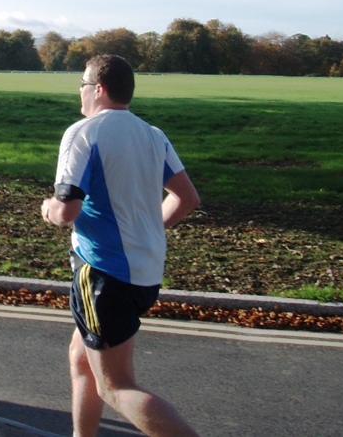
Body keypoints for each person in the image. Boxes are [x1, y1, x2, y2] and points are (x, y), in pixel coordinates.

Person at [41, 55, 202, 437]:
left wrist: (47, 209)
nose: (79, 92)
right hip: (144, 273)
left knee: (117, 386)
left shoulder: (83, 132)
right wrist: (147, 231)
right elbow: (187, 198)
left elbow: (66, 212)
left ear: (98, 89)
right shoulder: (152, 134)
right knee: (82, 359)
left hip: (103, 276)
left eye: (82, 84)